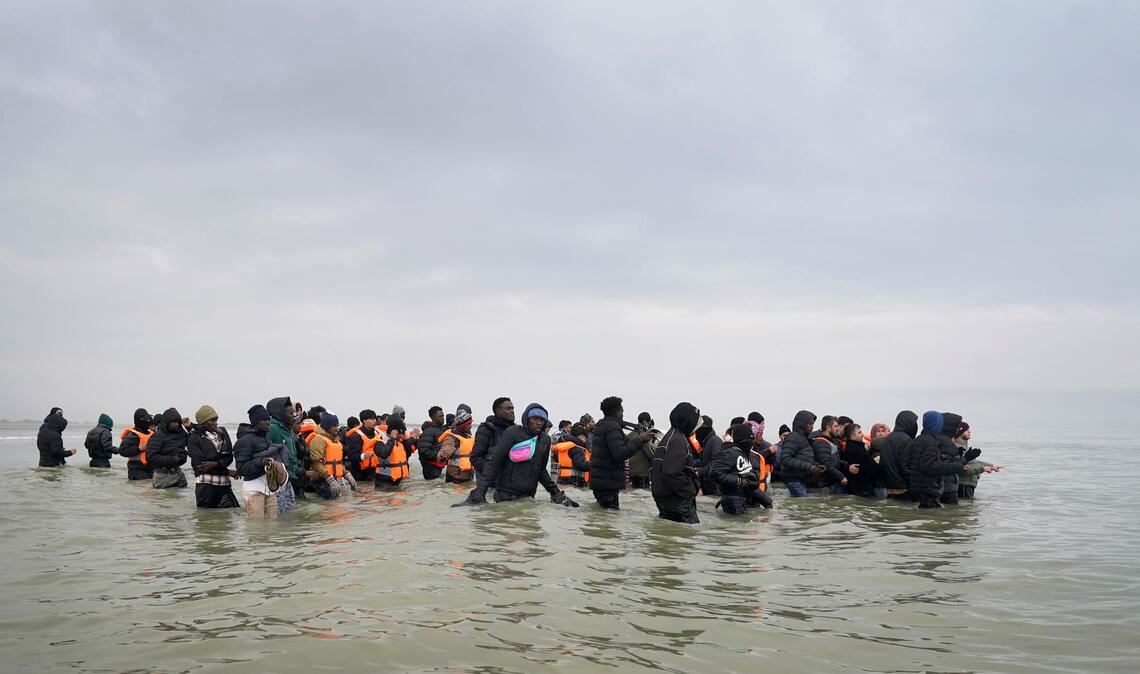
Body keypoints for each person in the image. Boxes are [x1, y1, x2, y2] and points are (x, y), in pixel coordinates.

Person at [455, 403, 578, 507]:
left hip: (528, 497)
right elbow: (495, 463)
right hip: (506, 496)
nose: (539, 422)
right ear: (526, 419)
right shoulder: (513, 433)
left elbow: (540, 470)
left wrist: (555, 492)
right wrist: (480, 492)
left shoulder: (545, 440)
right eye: (535, 418)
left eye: (542, 420)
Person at [589, 396, 653, 510]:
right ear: (617, 411)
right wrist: (640, 439)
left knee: (603, 519)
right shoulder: (613, 427)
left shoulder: (602, 425)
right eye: (622, 410)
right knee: (609, 520)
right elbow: (620, 453)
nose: (623, 412)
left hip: (601, 482)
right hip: (607, 483)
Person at [908, 411, 978, 509]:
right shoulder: (931, 441)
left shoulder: (918, 439)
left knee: (926, 518)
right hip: (930, 488)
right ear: (938, 423)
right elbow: (930, 466)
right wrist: (960, 463)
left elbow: (915, 462)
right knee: (935, 518)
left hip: (918, 487)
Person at [651, 402, 703, 523]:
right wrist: (690, 490)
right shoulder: (678, 440)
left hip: (667, 498)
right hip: (677, 501)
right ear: (687, 421)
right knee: (686, 537)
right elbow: (671, 472)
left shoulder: (672, 436)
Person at [234, 404, 282, 518]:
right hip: (253, 490)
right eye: (264, 420)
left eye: (268, 419)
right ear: (256, 422)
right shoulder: (245, 441)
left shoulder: (266, 439)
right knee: (255, 528)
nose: (268, 422)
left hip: (270, 489)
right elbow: (241, 468)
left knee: (271, 527)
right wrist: (260, 462)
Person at [186, 405, 239, 508]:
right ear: (203, 422)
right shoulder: (194, 438)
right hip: (206, 487)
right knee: (207, 520)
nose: (215, 423)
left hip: (225, 485)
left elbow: (229, 458)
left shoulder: (222, 434)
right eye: (212, 420)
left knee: (229, 518)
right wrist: (227, 471)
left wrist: (216, 463)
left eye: (216, 420)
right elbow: (201, 467)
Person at [711, 424, 761, 515]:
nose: (750, 442)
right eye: (747, 440)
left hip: (743, 499)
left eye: (751, 440)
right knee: (737, 527)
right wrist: (739, 481)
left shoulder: (746, 454)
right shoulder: (729, 453)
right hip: (732, 499)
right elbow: (714, 473)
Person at [266, 396, 302, 508]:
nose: (294, 416)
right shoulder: (272, 429)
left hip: (289, 478)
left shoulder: (288, 429)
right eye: (290, 413)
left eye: (293, 413)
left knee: (290, 512)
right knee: (279, 513)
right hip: (278, 480)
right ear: (280, 413)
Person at [874, 411, 918, 500]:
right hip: (904, 490)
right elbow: (905, 465)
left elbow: (883, 463)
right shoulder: (907, 440)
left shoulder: (887, 439)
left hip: (889, 488)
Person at [471, 397, 516, 485]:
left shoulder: (515, 430)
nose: (512, 411)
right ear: (497, 411)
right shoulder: (486, 429)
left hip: (509, 484)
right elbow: (475, 458)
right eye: (508, 408)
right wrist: (493, 471)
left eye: (512, 408)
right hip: (489, 484)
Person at [954, 421, 1001, 499]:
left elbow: (974, 463)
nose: (970, 431)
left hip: (967, 486)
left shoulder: (965, 448)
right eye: (966, 430)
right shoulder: (958, 448)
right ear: (959, 432)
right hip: (962, 486)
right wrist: (982, 468)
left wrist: (991, 466)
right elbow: (962, 468)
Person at [778, 410, 818, 497]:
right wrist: (809, 466)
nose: (812, 426)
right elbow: (785, 459)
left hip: (800, 478)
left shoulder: (805, 438)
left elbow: (804, 457)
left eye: (813, 424)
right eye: (810, 424)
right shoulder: (793, 437)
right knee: (804, 502)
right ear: (802, 423)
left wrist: (815, 466)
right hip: (792, 478)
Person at [148, 408, 189, 489]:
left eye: (178, 422)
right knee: (163, 500)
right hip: (162, 475)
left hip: (178, 473)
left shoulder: (182, 434)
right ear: (167, 422)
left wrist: (189, 428)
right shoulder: (158, 435)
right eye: (174, 422)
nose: (176, 424)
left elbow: (193, 444)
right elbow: (151, 456)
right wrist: (172, 459)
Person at [307, 413, 345, 499]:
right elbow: (316, 463)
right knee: (331, 504)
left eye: (337, 425)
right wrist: (329, 478)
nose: (337, 428)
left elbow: (337, 462)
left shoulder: (335, 441)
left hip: (332, 479)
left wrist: (346, 473)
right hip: (320, 480)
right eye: (334, 426)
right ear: (327, 426)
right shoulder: (318, 439)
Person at [808, 415, 847, 494]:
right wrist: (841, 476)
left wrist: (848, 465)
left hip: (829, 484)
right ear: (828, 428)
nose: (838, 429)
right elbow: (826, 463)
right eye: (836, 426)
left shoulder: (830, 442)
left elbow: (835, 461)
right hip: (822, 487)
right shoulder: (821, 443)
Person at [840, 423, 878, 498]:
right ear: (852, 436)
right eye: (859, 432)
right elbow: (874, 469)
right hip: (863, 491)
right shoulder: (858, 450)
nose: (862, 434)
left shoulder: (848, 448)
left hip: (853, 490)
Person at [375, 415, 413, 488]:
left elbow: (408, 453)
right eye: (399, 433)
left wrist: (405, 440)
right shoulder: (380, 440)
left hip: (398, 480)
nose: (401, 435)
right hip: (384, 481)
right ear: (393, 431)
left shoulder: (399, 442)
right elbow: (383, 453)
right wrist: (392, 438)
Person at [440, 409, 477, 483]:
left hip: (468, 475)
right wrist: (442, 455)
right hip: (456, 477)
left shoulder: (468, 437)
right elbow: (445, 450)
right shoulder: (452, 438)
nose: (470, 426)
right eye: (468, 424)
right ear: (462, 425)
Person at [344, 409, 381, 482]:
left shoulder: (378, 434)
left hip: (374, 472)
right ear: (364, 421)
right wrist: (363, 456)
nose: (375, 421)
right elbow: (351, 456)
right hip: (359, 474)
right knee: (360, 493)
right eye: (372, 419)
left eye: (375, 419)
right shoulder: (356, 436)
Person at [551, 422, 592, 488]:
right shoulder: (577, 449)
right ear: (581, 436)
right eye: (585, 438)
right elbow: (582, 465)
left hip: (561, 481)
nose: (585, 441)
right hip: (574, 482)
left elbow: (556, 458)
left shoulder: (563, 448)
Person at [119, 408, 154, 481]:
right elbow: (122, 451)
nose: (148, 421)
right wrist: (139, 448)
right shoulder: (133, 435)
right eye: (146, 419)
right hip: (136, 471)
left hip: (150, 470)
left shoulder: (151, 434)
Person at [627, 412, 660, 489]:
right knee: (643, 496)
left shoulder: (631, 434)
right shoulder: (644, 436)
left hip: (632, 472)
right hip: (642, 473)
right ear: (647, 422)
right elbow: (650, 454)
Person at [417, 406, 450, 480]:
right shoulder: (428, 432)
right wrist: (440, 454)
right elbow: (423, 451)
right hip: (430, 468)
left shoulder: (440, 430)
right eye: (440, 416)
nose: (443, 418)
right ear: (433, 418)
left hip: (438, 466)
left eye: (443, 416)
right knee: (433, 488)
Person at [939, 412, 966, 505]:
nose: (958, 430)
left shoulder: (939, 440)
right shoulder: (947, 443)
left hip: (943, 487)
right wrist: (965, 459)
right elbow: (946, 467)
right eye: (957, 426)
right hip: (947, 488)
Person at [695, 416, 724, 495]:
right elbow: (704, 461)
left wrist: (701, 471)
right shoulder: (706, 441)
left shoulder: (714, 441)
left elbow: (717, 463)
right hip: (709, 487)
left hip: (715, 489)